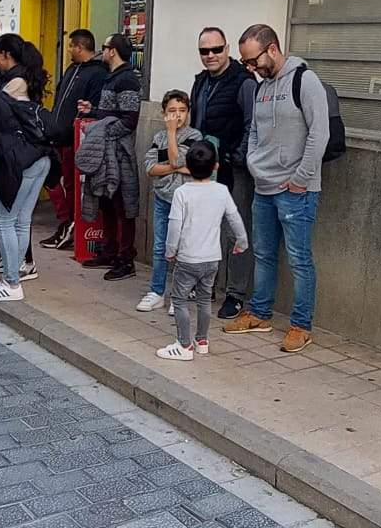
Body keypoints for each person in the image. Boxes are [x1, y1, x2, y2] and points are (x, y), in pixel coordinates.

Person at [223, 23, 329, 353]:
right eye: (245, 63)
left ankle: (301, 325)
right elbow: (254, 131)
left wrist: (301, 178)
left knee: (299, 259)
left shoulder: (304, 80)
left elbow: (319, 134)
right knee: (264, 254)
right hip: (264, 187)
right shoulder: (261, 87)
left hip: (297, 190)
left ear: (272, 49)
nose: (250, 68)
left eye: (252, 60)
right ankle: (260, 313)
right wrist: (254, 164)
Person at [0, 40, 58, 302]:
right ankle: (10, 277)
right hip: (39, 157)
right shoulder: (24, 79)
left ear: (6, 55)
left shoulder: (13, 84)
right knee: (21, 221)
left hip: (22, 161)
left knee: (4, 220)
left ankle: (11, 282)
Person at [156, 140, 247, 362]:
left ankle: (184, 345)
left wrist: (170, 250)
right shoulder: (221, 191)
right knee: (205, 300)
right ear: (216, 166)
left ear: (187, 165)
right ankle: (202, 340)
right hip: (212, 258)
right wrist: (242, 241)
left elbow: (175, 224)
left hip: (188, 258)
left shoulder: (182, 193)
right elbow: (234, 218)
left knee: (179, 300)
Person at [189, 26, 257, 317]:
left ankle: (236, 294)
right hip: (206, 169)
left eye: (216, 49)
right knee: (208, 228)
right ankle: (208, 285)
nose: (211, 55)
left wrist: (236, 156)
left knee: (237, 230)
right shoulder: (200, 82)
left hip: (235, 170)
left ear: (227, 48)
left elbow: (253, 124)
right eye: (204, 51)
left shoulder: (244, 81)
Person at [138, 90, 211, 312]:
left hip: (187, 200)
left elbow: (178, 157)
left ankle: (181, 292)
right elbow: (150, 168)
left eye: (181, 111)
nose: (176, 116)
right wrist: (177, 166)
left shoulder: (195, 136)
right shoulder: (158, 138)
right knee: (161, 246)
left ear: (188, 113)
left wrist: (172, 139)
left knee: (185, 247)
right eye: (171, 111)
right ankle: (156, 291)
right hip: (162, 197)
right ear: (163, 113)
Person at [42, 29, 109, 250]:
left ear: (80, 47)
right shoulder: (72, 69)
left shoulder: (97, 73)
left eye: (71, 46)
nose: (69, 49)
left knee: (72, 184)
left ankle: (71, 226)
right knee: (54, 180)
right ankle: (64, 222)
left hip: (76, 139)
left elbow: (93, 108)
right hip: (57, 136)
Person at [87, 33, 143, 280]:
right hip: (106, 152)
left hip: (119, 153)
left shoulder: (128, 79)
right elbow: (112, 112)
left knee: (123, 205)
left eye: (105, 47)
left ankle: (125, 258)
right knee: (106, 202)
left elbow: (129, 120)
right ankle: (109, 251)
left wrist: (101, 131)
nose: (103, 51)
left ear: (113, 51)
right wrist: (93, 111)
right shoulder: (111, 78)